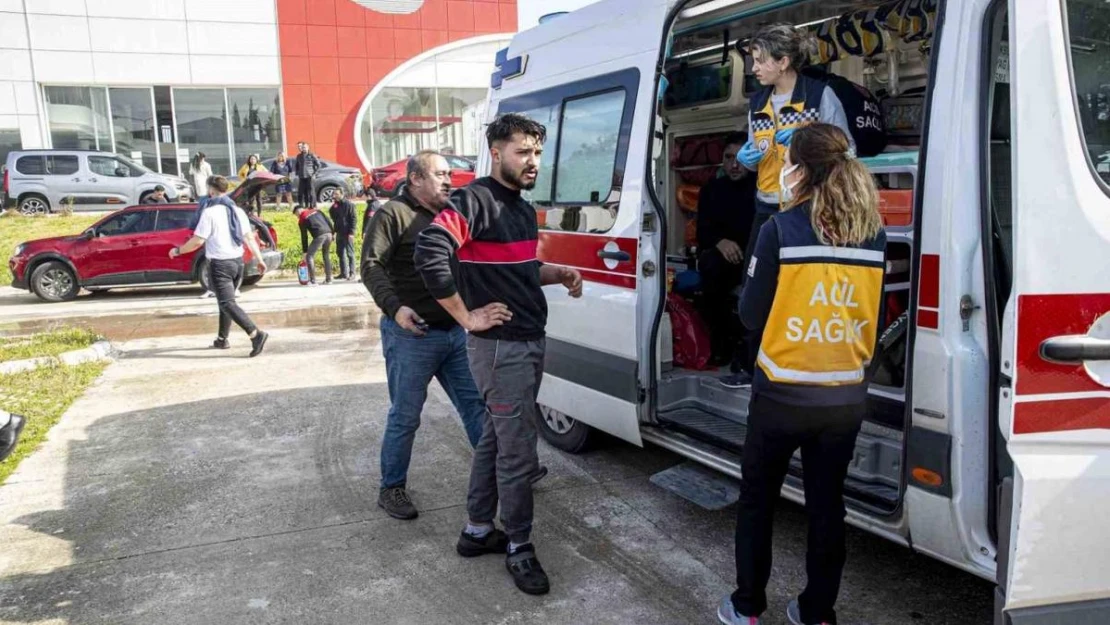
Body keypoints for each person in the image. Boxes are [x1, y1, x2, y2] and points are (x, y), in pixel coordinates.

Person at [718, 124, 886, 625]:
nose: (783, 173)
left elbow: (750, 314)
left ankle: (748, 606)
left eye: (788, 163)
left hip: (782, 395)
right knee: (826, 505)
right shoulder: (873, 235)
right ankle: (816, 612)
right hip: (845, 397)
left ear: (803, 172)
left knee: (758, 502)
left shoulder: (779, 230)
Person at [415, 113, 583, 597]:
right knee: (517, 450)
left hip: (526, 341)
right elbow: (431, 248)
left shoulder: (520, 208)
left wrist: (558, 273)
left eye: (535, 152)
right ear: (495, 151)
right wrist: (467, 317)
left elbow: (519, 269)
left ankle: (476, 530)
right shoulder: (474, 200)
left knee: (494, 436)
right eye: (521, 152)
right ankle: (520, 546)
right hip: (501, 351)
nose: (532, 161)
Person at [362, 150, 487, 521]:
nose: (449, 180)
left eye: (450, 174)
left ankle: (502, 471)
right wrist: (395, 308)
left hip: (453, 333)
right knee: (406, 416)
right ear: (415, 178)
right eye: (440, 174)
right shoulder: (392, 214)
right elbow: (371, 266)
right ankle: (392, 488)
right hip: (411, 335)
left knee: (476, 406)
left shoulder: (449, 217)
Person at [733, 24, 857, 386]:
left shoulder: (819, 97)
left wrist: (807, 138)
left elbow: (848, 150)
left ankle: (802, 368)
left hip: (810, 206)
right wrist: (748, 158)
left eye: (759, 61)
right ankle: (754, 366)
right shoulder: (757, 104)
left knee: (802, 288)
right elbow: (755, 154)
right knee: (756, 286)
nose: (754, 68)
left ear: (783, 61)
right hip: (767, 206)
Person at [170, 176, 271, 357]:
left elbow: (197, 241)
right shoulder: (238, 211)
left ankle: (255, 334)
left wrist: (178, 251)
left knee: (227, 302)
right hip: (237, 263)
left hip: (220, 264)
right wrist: (259, 259)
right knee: (224, 301)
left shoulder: (210, 212)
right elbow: (248, 238)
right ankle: (222, 339)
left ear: (211, 190)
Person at [696, 132, 757, 370]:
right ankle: (721, 346)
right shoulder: (711, 190)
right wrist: (720, 242)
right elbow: (703, 232)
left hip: (755, 257)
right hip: (724, 258)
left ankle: (749, 353)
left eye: (740, 158)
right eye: (729, 157)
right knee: (710, 269)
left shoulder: (761, 189)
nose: (734, 164)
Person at [293, 203, 334, 285]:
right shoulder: (317, 210)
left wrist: (305, 251)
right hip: (329, 233)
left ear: (298, 211)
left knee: (309, 256)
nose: (297, 216)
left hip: (319, 235)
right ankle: (329, 279)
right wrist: (333, 233)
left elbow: (304, 236)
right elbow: (328, 220)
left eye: (296, 215)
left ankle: (313, 281)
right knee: (326, 255)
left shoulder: (302, 219)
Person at [328, 187, 358, 280]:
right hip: (339, 233)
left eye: (337, 194)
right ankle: (343, 273)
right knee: (340, 253)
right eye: (334, 194)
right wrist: (334, 232)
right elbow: (333, 218)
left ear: (342, 194)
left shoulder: (349, 205)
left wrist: (352, 232)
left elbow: (353, 219)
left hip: (347, 232)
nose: (335, 196)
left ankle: (352, 273)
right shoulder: (334, 207)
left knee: (350, 253)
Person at [294, 142, 322, 208]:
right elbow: (296, 166)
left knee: (311, 192)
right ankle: (302, 205)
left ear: (308, 147)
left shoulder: (312, 155)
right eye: (303, 147)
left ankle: (312, 206)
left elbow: (319, 165)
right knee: (301, 192)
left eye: (305, 147)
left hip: (310, 176)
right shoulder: (299, 156)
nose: (304, 149)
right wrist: (298, 173)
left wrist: (314, 174)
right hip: (302, 177)